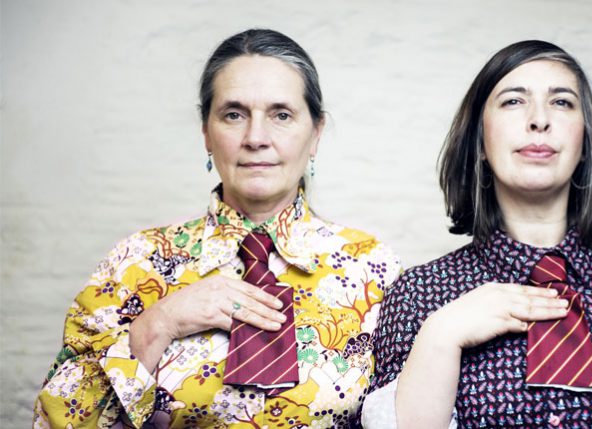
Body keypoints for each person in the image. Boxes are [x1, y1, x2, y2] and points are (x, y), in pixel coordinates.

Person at [34, 28, 400, 429]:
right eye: (233, 115)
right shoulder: (133, 263)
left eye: (281, 115)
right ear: (206, 133)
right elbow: (54, 420)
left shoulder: (372, 268)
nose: (256, 138)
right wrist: (159, 324)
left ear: (315, 133)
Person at [364, 40, 592, 428]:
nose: (539, 120)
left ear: (584, 141)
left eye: (561, 102)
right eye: (514, 101)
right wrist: (441, 335)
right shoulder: (417, 294)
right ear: (480, 141)